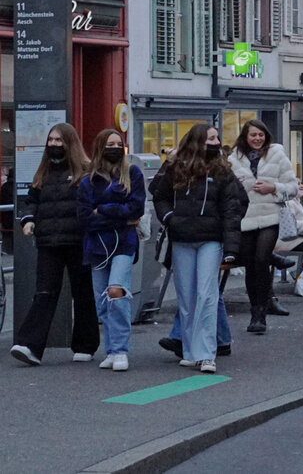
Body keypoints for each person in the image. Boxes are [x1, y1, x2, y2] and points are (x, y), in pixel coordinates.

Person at [150, 124, 242, 374]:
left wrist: (230, 246)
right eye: (210, 138)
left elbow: (233, 208)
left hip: (209, 239)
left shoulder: (223, 171)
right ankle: (191, 351)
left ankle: (205, 354)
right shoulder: (176, 166)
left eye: (216, 137)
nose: (215, 141)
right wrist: (170, 217)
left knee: (206, 294)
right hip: (181, 238)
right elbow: (158, 195)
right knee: (187, 296)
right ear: (197, 141)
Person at [10, 123, 99, 366]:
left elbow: (98, 200)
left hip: (79, 241)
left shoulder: (86, 170)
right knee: (44, 293)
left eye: (59, 140)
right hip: (49, 242)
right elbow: (31, 202)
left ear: (69, 143)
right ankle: (29, 346)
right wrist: (28, 220)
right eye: (51, 140)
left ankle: (85, 345)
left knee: (83, 294)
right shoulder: (43, 173)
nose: (53, 144)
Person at [77, 129, 146, 372]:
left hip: (124, 244)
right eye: (110, 143)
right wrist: (118, 213)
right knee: (102, 302)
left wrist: (102, 210)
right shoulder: (87, 181)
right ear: (100, 147)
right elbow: (84, 217)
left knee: (117, 291)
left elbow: (136, 209)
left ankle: (120, 351)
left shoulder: (133, 174)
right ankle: (110, 349)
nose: (116, 147)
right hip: (96, 246)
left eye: (119, 143)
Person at [229, 119, 298, 334]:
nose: (257, 139)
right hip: (246, 218)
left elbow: (293, 188)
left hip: (270, 216)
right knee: (252, 264)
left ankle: (261, 315)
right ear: (245, 137)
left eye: (261, 134)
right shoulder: (233, 159)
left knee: (261, 259)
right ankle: (256, 310)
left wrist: (273, 187)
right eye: (253, 135)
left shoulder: (277, 154)